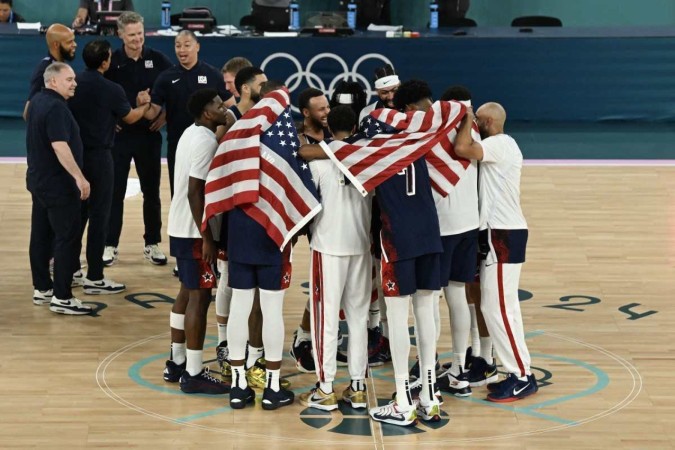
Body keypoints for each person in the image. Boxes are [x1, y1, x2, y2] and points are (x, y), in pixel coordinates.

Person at [366, 80, 443, 426]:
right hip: (429, 232)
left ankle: (401, 399)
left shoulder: (376, 141)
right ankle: (429, 396)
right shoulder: (422, 137)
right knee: (426, 312)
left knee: (397, 318)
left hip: (398, 238)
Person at [454, 102, 538, 402]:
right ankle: (517, 370)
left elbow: (463, 147)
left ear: (487, 122)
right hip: (499, 233)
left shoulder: (500, 144)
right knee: (498, 307)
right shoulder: (502, 145)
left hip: (503, 234)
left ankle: (522, 376)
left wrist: (464, 118)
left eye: (478, 120)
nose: (474, 123)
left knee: (499, 308)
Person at [298, 105, 372, 412]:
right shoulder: (368, 159)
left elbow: (306, 200)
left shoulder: (320, 161)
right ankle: (357, 387)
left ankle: (325, 388)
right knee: (358, 319)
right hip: (361, 246)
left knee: (326, 320)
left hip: (328, 246)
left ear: (330, 129)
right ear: (355, 127)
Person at [68, 39, 150, 295]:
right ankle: (95, 276)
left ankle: (71, 269)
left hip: (76, 157)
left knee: (77, 215)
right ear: (106, 62)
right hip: (101, 158)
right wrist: (144, 104)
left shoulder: (73, 83)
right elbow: (131, 117)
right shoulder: (112, 89)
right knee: (100, 215)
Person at [163, 88, 231, 395]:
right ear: (207, 112)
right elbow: (195, 191)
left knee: (186, 292)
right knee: (200, 298)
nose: (223, 106)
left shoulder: (192, 133)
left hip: (179, 225)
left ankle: (176, 360)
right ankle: (192, 372)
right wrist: (206, 236)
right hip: (193, 231)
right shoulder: (204, 142)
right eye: (217, 104)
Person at [103, 11, 173, 267]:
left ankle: (152, 243)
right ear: (120, 34)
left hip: (148, 136)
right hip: (119, 138)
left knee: (151, 192)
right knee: (114, 192)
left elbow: (175, 90)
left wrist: (165, 114)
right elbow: (96, 93)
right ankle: (109, 245)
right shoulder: (110, 61)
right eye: (131, 35)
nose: (137, 40)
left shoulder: (159, 60)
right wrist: (109, 121)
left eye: (140, 34)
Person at [27, 62, 91, 315]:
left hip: (39, 182)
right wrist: (80, 178)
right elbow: (59, 145)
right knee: (67, 237)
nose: (74, 83)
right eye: (69, 79)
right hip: (58, 187)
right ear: (53, 81)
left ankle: (42, 288)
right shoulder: (56, 108)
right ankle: (62, 297)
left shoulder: (38, 102)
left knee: (40, 236)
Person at [146, 30, 233, 197]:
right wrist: (143, 105)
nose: (181, 50)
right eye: (178, 46)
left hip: (209, 145)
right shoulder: (165, 78)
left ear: (197, 47)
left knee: (208, 192)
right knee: (179, 193)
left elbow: (230, 108)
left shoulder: (212, 74)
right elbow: (152, 113)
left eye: (187, 45)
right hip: (177, 145)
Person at [289, 87, 331, 374]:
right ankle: (302, 339)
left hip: (327, 217)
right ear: (306, 113)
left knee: (322, 283)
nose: (326, 113)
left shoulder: (332, 135)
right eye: (320, 109)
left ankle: (305, 334)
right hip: (296, 217)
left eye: (327, 108)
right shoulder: (293, 136)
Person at [24, 24, 77, 121]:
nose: (75, 44)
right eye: (70, 42)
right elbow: (28, 112)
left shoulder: (61, 66)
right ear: (56, 45)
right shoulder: (44, 70)